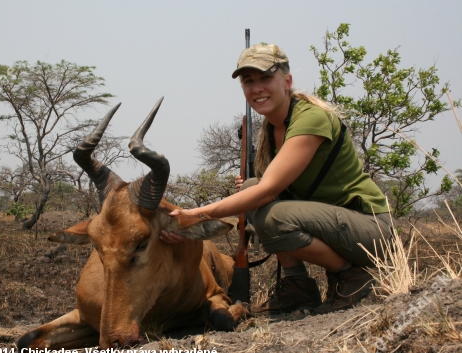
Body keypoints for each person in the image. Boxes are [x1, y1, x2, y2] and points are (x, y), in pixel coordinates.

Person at [160, 42, 394, 315]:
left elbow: (269, 189)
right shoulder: (271, 128)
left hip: (371, 229)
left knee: (274, 216)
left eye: (266, 78)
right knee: (251, 187)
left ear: (287, 81)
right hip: (337, 225)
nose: (257, 88)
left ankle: (353, 277)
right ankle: (297, 287)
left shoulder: (311, 117)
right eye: (249, 82)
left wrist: (197, 214)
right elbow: (265, 186)